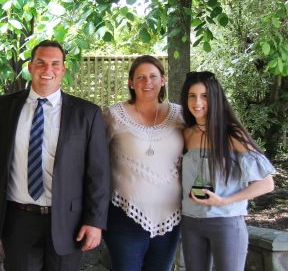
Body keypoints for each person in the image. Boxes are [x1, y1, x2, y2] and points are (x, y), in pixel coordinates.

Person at [0, 40, 110, 270]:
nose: (47, 70)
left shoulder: (87, 114)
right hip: (18, 219)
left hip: (68, 221)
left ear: (63, 69)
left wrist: (95, 221)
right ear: (31, 67)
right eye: (41, 63)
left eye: (55, 64)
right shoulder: (4, 107)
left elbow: (99, 173)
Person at [180, 71, 275, 271]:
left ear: (215, 98)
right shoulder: (186, 135)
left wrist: (223, 201)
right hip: (190, 222)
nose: (197, 102)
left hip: (225, 222)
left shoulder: (232, 135)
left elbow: (266, 184)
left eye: (204, 96)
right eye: (192, 95)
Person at [102, 55, 184, 271]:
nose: (147, 82)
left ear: (163, 80)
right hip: (124, 215)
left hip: (171, 215)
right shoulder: (113, 115)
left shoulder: (180, 115)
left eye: (153, 76)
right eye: (140, 77)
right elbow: (95, 161)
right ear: (131, 82)